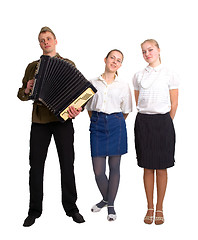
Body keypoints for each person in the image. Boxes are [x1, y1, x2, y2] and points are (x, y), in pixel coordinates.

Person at [17, 26, 85, 226]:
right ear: (39, 44)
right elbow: (21, 94)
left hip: (63, 121)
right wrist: (27, 89)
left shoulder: (68, 64)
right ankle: (34, 210)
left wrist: (77, 108)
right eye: (41, 40)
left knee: (67, 164)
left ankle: (71, 208)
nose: (45, 42)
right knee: (36, 167)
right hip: (39, 121)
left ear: (55, 41)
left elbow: (79, 93)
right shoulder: (32, 67)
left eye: (48, 38)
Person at [133, 39, 179, 225]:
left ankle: (160, 206)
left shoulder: (170, 74)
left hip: (163, 122)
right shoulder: (137, 75)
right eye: (143, 51)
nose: (147, 54)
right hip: (144, 121)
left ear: (159, 50)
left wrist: (165, 122)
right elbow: (138, 101)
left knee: (161, 167)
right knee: (147, 166)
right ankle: (149, 206)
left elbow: (174, 103)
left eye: (150, 50)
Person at [86, 49, 133, 221]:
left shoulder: (123, 85)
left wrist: (114, 120)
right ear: (105, 59)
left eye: (118, 60)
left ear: (120, 65)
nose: (114, 61)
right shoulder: (92, 82)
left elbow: (126, 110)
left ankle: (110, 204)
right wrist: (99, 120)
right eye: (112, 58)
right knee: (98, 171)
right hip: (97, 124)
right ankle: (106, 198)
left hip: (116, 125)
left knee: (115, 168)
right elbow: (89, 107)